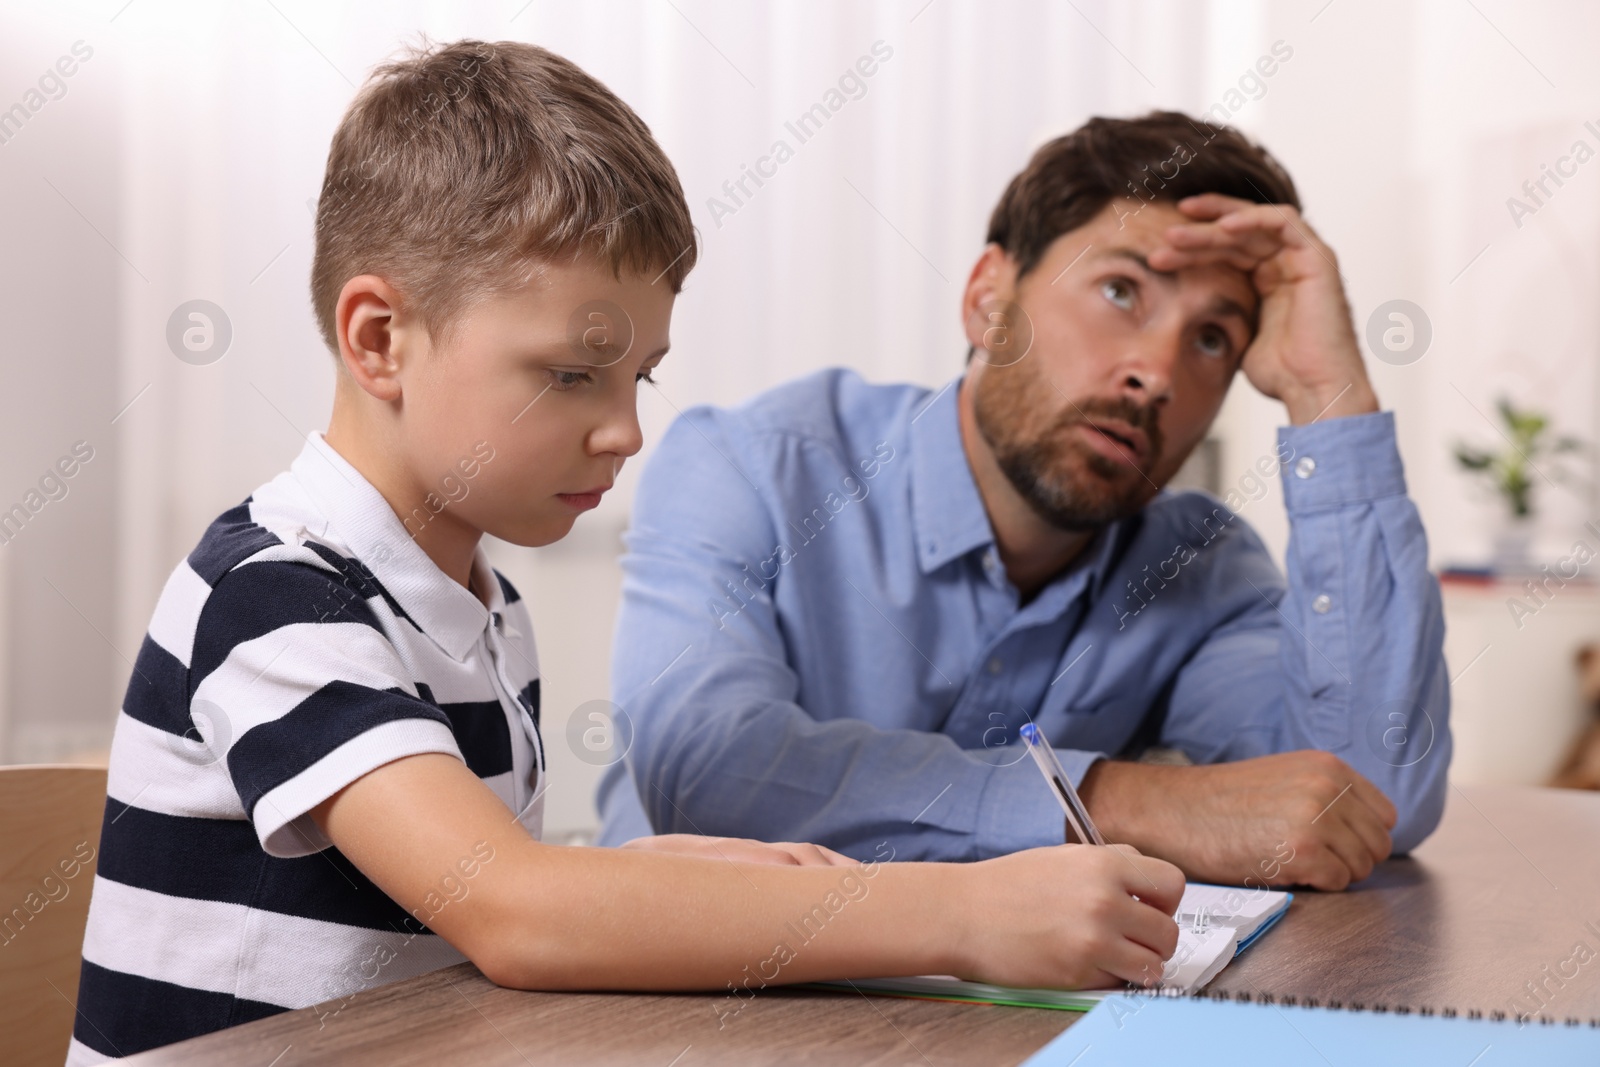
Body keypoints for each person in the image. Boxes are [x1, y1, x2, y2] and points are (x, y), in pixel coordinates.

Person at [65, 41, 1186, 1065]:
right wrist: (965, 916)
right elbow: (511, 908)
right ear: (379, 339)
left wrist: (661, 869)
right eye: (569, 372)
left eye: (637, 376)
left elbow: (455, 917)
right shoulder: (273, 594)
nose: (624, 430)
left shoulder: (479, 604)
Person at [597, 112, 1449, 892]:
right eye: (1122, 291)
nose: (1156, 372)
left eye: (1212, 337)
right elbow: (703, 776)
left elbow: (1369, 802)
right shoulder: (752, 467)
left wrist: (1329, 396)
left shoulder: (1200, 569)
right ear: (988, 300)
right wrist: (1119, 803)